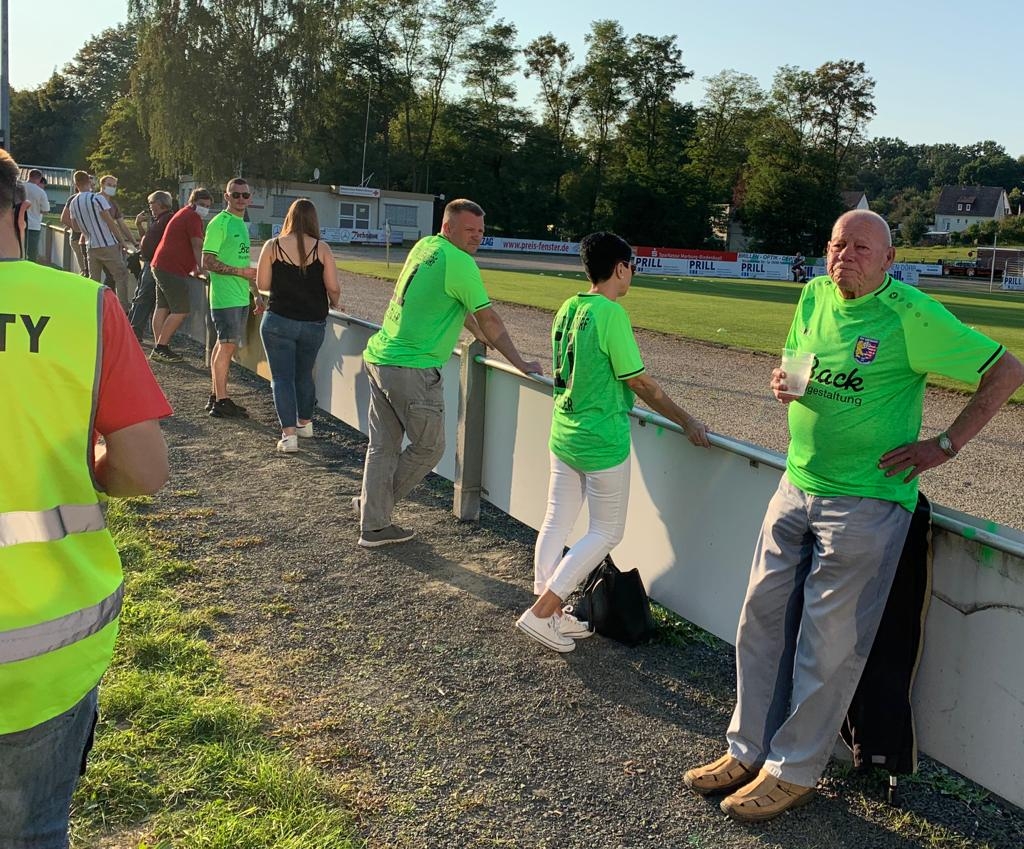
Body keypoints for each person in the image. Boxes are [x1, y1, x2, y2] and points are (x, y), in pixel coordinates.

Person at [683, 209, 1024, 822]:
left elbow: (1007, 371)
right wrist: (785, 384)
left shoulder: (911, 315)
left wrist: (944, 445)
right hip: (796, 483)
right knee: (759, 624)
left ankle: (793, 769)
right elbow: (797, 361)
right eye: (839, 245)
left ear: (890, 260)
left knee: (827, 644)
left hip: (865, 502)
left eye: (863, 248)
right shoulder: (814, 293)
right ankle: (747, 748)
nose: (847, 257)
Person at [0, 148, 171, 849]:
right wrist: (90, 458)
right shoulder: (80, 306)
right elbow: (144, 469)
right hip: (40, 650)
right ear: (22, 213)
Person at [515, 232, 711, 652]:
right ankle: (543, 612)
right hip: (600, 438)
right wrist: (686, 420)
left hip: (564, 431)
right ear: (620, 268)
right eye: (632, 266)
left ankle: (549, 610)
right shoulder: (610, 313)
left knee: (556, 520)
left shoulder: (569, 306)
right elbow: (640, 382)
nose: (632, 274)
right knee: (606, 531)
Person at [357, 198, 542, 548]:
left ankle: (373, 517)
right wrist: (520, 362)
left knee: (383, 447)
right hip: (412, 368)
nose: (477, 237)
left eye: (481, 231)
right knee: (430, 447)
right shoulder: (460, 262)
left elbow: (457, 305)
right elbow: (489, 318)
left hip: (381, 357)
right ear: (448, 227)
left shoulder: (427, 246)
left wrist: (478, 332)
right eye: (469, 230)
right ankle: (375, 513)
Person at [255, 199, 341, 453]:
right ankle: (305, 423)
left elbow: (262, 284)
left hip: (278, 320)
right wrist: (335, 303)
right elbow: (333, 287)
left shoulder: (272, 246)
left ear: (289, 218)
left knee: (282, 378)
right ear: (314, 219)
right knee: (304, 374)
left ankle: (289, 435)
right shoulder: (322, 248)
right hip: (313, 323)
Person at [203, 178, 259, 418]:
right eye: (235, 194)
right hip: (226, 297)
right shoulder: (220, 223)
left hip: (239, 295)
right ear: (226, 196)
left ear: (250, 198)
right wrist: (240, 273)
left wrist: (256, 293)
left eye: (245, 195)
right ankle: (221, 400)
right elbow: (207, 261)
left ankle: (216, 395)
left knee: (222, 345)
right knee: (226, 347)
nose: (241, 199)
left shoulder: (240, 224)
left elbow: (243, 262)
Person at [150, 188, 213, 362]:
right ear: (192, 203)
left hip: (161, 264)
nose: (204, 209)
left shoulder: (184, 213)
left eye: (208, 206)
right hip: (172, 268)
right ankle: (161, 347)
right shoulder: (193, 217)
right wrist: (203, 269)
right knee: (181, 310)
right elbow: (197, 245)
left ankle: (159, 346)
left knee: (162, 307)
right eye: (201, 204)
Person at [66, 170, 137, 311]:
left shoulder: (73, 202)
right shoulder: (97, 199)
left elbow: (75, 227)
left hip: (90, 245)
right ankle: (123, 308)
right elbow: (110, 222)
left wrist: (88, 227)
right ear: (89, 182)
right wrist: (122, 242)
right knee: (121, 274)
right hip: (107, 244)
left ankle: (93, 308)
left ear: (76, 184)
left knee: (94, 281)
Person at [128, 190, 175, 344]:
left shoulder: (167, 219)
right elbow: (146, 239)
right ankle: (132, 328)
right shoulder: (158, 220)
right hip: (148, 261)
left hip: (155, 263)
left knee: (144, 296)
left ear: (160, 203)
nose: (149, 206)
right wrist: (138, 225)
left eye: (151, 203)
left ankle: (134, 331)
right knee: (140, 295)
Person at [97, 174, 140, 251]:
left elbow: (122, 225)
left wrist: (135, 243)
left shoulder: (113, 204)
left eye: (114, 186)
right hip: (95, 242)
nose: (111, 188)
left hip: (110, 242)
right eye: (109, 185)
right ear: (102, 185)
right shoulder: (93, 200)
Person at [22, 168, 50, 262]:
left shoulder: (19, 187)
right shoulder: (41, 192)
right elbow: (46, 210)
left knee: (17, 251)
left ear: (28, 176)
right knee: (32, 253)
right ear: (39, 178)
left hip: (17, 224)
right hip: (33, 226)